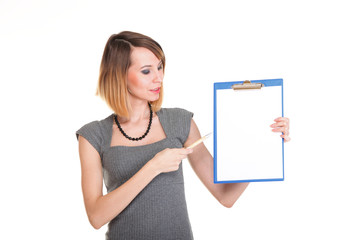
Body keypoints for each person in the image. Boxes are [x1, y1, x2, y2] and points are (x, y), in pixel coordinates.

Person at [75, 31, 291, 240]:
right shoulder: (93, 136)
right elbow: (96, 216)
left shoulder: (180, 121)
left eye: (160, 67)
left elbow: (226, 196)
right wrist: (153, 167)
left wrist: (262, 143)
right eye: (146, 71)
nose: (159, 77)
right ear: (119, 75)